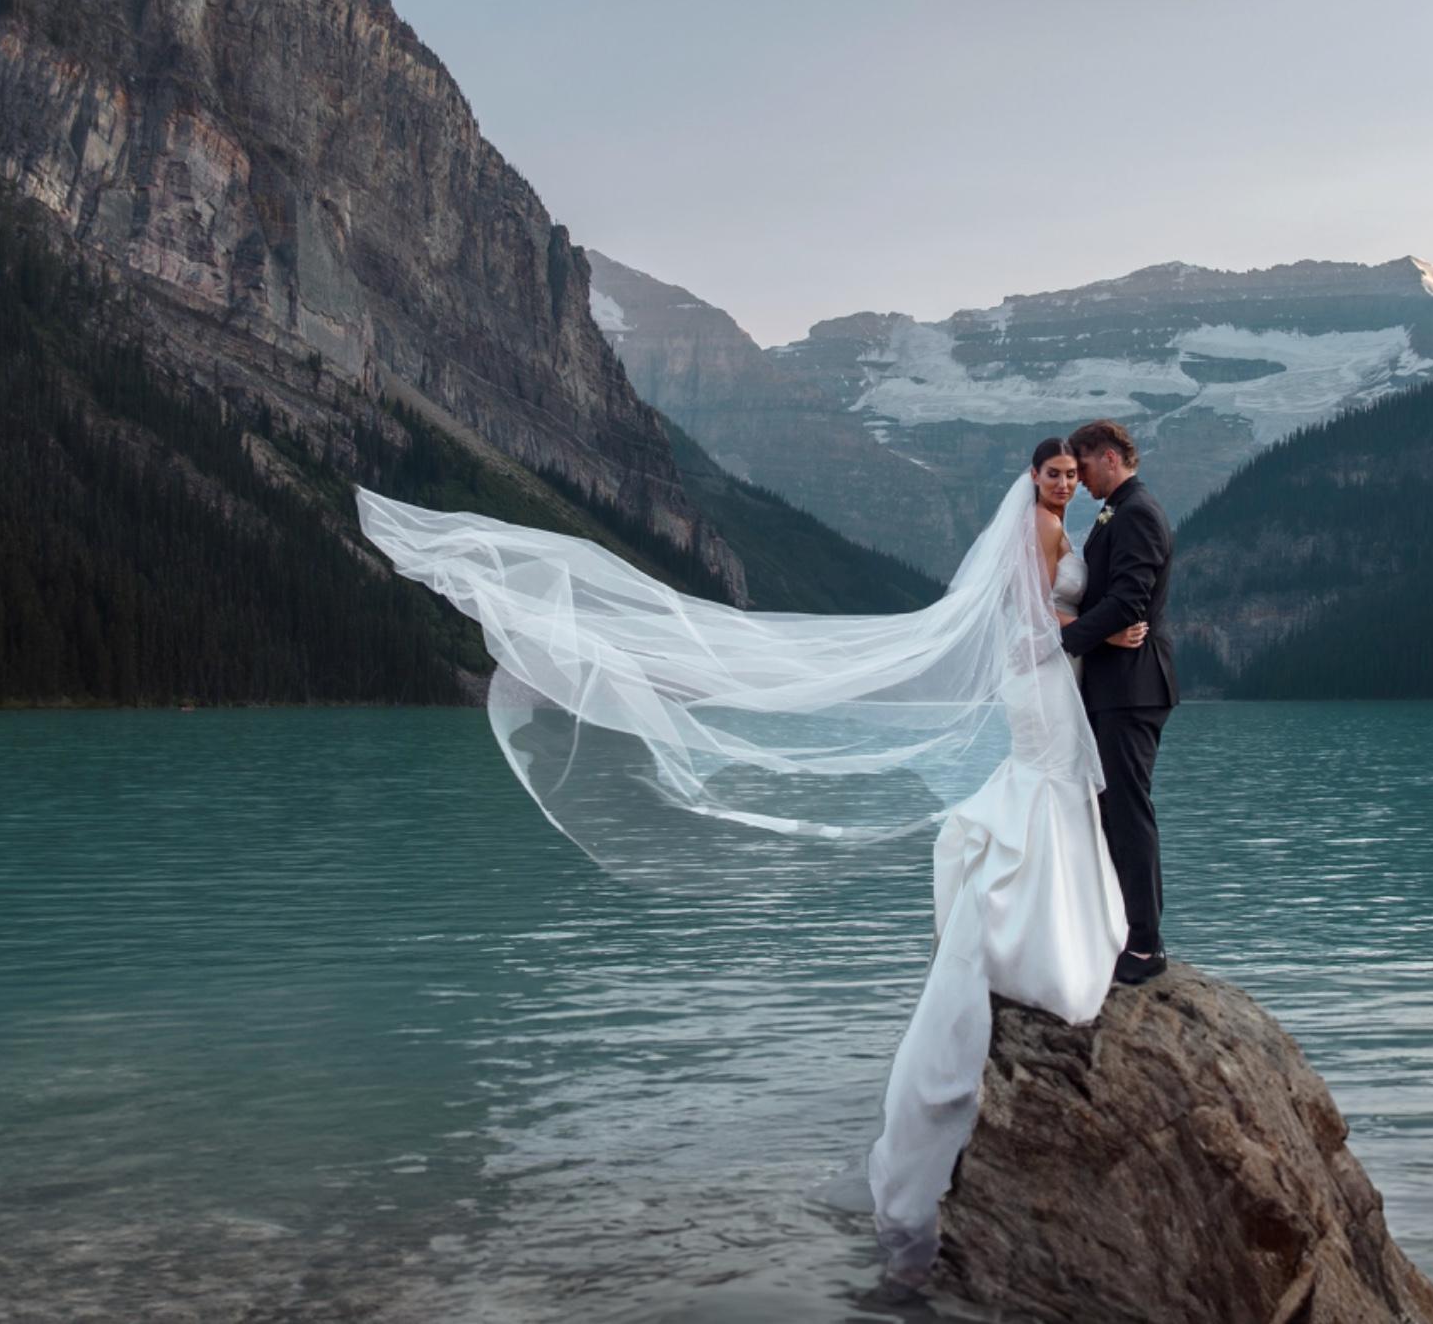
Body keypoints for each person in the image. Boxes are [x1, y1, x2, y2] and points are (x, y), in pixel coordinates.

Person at [350, 435, 1150, 1284]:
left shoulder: (1053, 525)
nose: (1065, 483)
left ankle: (1040, 933)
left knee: (1051, 791)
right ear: (1035, 476)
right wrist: (1099, 629)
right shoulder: (1039, 527)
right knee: (1049, 785)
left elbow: (1033, 614)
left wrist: (1086, 628)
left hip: (1047, 682)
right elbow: (1029, 617)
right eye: (1055, 472)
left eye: (1072, 473)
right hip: (1043, 681)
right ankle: (1045, 942)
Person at [1054, 419, 1177, 985]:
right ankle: (1127, 934)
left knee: (1129, 813)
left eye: (1084, 469)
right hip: (1112, 684)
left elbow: (1131, 599)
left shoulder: (1137, 513)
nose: (1081, 483)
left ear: (1108, 457)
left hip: (1133, 687)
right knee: (1112, 813)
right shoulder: (1120, 512)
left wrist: (1062, 639)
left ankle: (1147, 949)